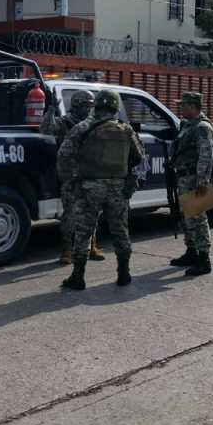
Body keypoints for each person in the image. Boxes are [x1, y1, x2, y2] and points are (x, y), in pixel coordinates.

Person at [57, 89, 145, 291]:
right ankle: (124, 273)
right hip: (118, 188)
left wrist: (69, 179)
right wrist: (129, 178)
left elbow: (64, 154)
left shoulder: (82, 127)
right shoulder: (126, 129)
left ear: (96, 106)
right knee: (120, 230)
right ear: (114, 107)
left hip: (89, 188)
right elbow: (139, 158)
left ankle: (78, 276)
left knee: (83, 232)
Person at [41, 89, 104, 265]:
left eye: (91, 106)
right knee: (70, 214)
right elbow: (45, 129)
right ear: (76, 105)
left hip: (91, 174)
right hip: (71, 176)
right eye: (86, 106)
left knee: (93, 212)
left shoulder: (94, 123)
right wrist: (50, 110)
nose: (89, 109)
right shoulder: (65, 122)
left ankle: (92, 246)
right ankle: (67, 249)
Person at [168, 92, 213, 277]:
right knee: (186, 218)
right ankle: (191, 252)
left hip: (195, 179)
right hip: (183, 177)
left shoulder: (202, 127)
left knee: (197, 218)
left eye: (184, 105)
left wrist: (202, 180)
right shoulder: (187, 125)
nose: (181, 108)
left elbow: (206, 155)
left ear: (194, 106)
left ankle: (204, 259)